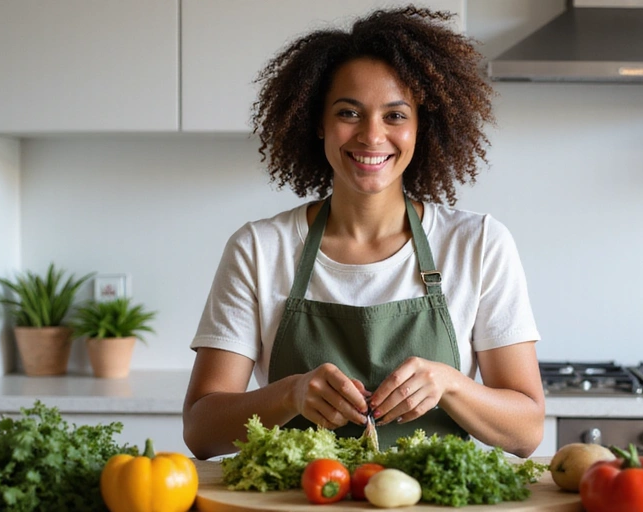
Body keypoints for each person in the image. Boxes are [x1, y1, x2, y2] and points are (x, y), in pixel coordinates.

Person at [183, 5, 544, 461]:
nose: (372, 136)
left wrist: (451, 384)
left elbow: (527, 430)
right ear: (318, 122)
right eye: (349, 112)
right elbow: (200, 429)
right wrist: (290, 394)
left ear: (420, 128)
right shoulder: (259, 249)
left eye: (395, 116)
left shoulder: (479, 244)